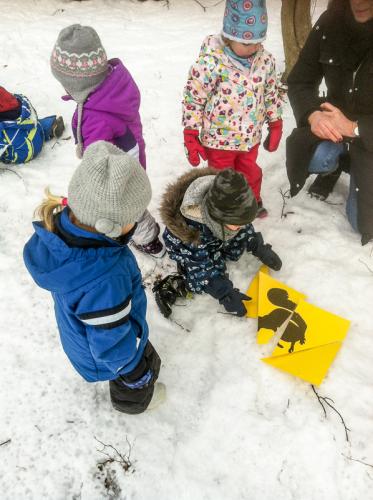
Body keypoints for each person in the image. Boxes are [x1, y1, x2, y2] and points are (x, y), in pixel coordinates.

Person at [23, 141, 165, 414]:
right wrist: (134, 371)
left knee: (135, 352)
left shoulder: (68, 232)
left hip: (86, 335)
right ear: (108, 226)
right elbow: (111, 347)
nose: (136, 223)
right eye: (132, 219)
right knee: (133, 376)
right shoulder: (105, 279)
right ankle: (134, 402)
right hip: (104, 355)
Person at [50, 24, 164, 256]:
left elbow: (99, 164)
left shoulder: (95, 118)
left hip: (116, 177)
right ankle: (147, 230)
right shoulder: (112, 90)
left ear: (78, 83)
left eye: (66, 83)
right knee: (135, 204)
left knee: (129, 211)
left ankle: (148, 239)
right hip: (130, 160)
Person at [182, 0, 283, 218]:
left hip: (249, 138)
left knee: (250, 172)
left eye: (259, 41)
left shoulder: (265, 61)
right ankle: (224, 208)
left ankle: (250, 202)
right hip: (218, 139)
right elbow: (194, 98)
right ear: (229, 38)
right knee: (222, 176)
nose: (254, 48)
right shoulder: (210, 63)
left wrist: (276, 122)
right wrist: (190, 132)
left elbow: (271, 93)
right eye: (248, 43)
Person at [286, 0, 373, 245]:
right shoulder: (330, 22)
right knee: (312, 155)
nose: (358, 2)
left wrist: (357, 128)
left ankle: (357, 167)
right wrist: (313, 116)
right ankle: (335, 165)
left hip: (368, 137)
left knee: (361, 223)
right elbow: (299, 81)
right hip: (334, 127)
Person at [157, 168, 282, 317]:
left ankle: (223, 246)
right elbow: (200, 267)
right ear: (218, 219)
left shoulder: (229, 208)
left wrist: (257, 246)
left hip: (216, 234)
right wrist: (224, 293)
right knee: (207, 278)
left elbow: (243, 226)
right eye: (238, 223)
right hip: (190, 247)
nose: (242, 226)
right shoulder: (191, 230)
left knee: (235, 248)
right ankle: (180, 282)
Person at [0, 85, 64, 164]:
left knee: (7, 132)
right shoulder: (19, 101)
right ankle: (50, 126)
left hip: (19, 153)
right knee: (26, 124)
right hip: (35, 134)